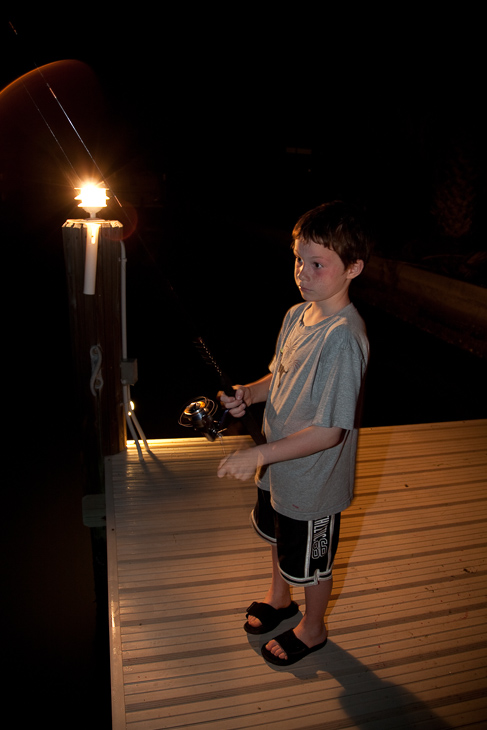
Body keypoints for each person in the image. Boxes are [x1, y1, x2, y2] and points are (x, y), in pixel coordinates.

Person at [217, 200, 372, 666]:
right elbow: (278, 378)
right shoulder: (296, 316)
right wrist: (249, 393)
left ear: (353, 268)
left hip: (314, 483)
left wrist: (258, 455)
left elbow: (329, 433)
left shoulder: (344, 338)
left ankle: (313, 627)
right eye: (299, 260)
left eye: (317, 264)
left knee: (314, 563)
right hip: (279, 469)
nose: (303, 273)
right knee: (277, 536)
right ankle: (280, 599)